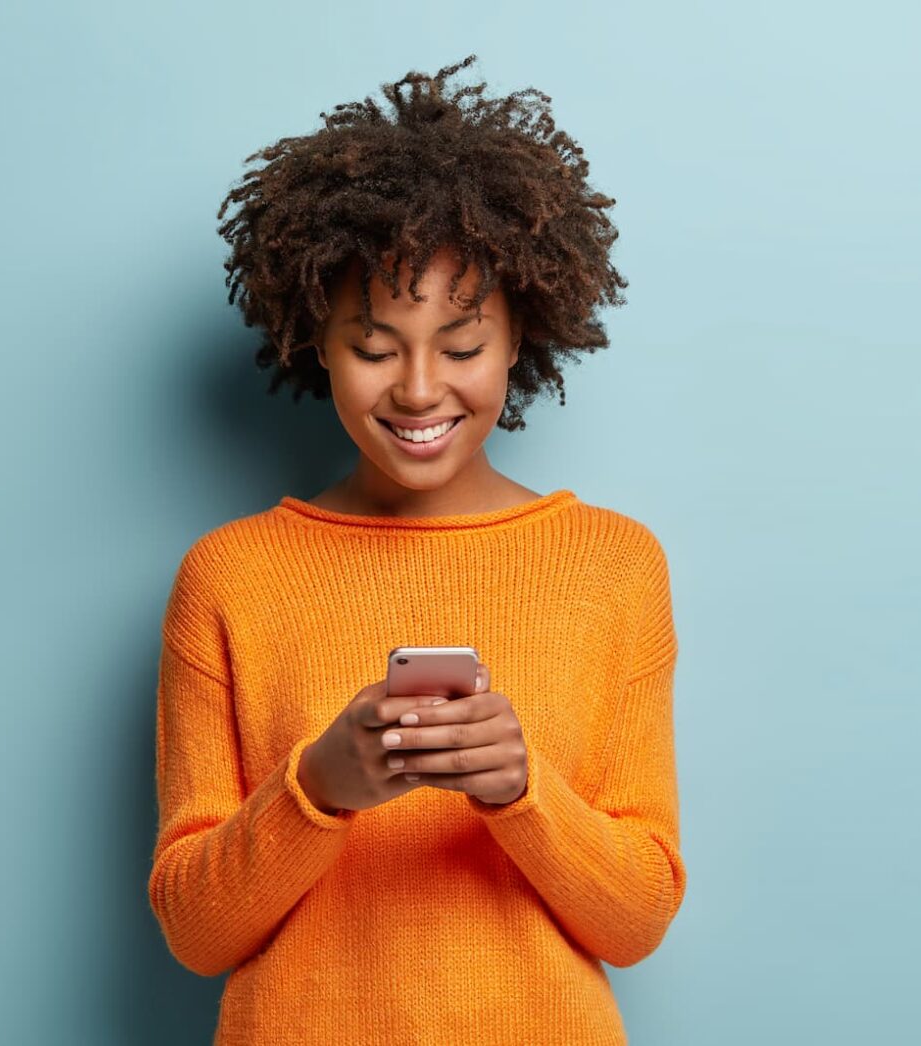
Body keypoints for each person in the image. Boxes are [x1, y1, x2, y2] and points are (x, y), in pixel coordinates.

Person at [149, 55, 685, 1045]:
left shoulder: (612, 565)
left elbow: (637, 916)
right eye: (374, 344)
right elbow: (193, 929)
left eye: (462, 343)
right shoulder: (228, 575)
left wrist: (523, 792)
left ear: (522, 331)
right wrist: (318, 787)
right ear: (315, 340)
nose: (418, 388)